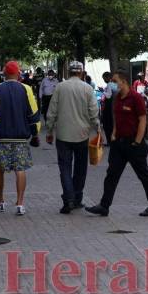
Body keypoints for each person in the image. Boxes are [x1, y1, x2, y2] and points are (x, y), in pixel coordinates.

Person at [86, 70, 148, 217]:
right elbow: (117, 117)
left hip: (133, 143)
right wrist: (113, 134)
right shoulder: (117, 98)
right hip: (118, 144)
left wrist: (137, 142)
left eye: (115, 81)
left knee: (143, 175)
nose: (112, 84)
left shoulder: (136, 98)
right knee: (111, 175)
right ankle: (104, 206)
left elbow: (142, 120)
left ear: (124, 81)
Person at [0, 61, 40, 216]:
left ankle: (0, 201)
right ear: (18, 74)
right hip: (21, 137)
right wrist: (35, 132)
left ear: (4, 74)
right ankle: (20, 203)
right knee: (20, 169)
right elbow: (34, 114)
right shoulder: (26, 89)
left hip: (1, 136)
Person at [46, 61, 100, 214]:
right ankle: (77, 198)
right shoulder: (88, 89)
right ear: (82, 73)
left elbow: (52, 111)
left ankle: (68, 199)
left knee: (64, 168)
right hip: (82, 135)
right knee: (80, 169)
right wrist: (98, 130)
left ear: (68, 72)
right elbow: (93, 113)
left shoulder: (60, 88)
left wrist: (49, 131)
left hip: (63, 135)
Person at [101, 72, 117, 146]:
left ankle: (110, 141)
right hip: (114, 106)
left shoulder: (109, 85)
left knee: (107, 124)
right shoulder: (114, 85)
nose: (104, 80)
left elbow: (108, 96)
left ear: (107, 77)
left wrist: (103, 91)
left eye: (104, 78)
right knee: (111, 124)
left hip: (109, 107)